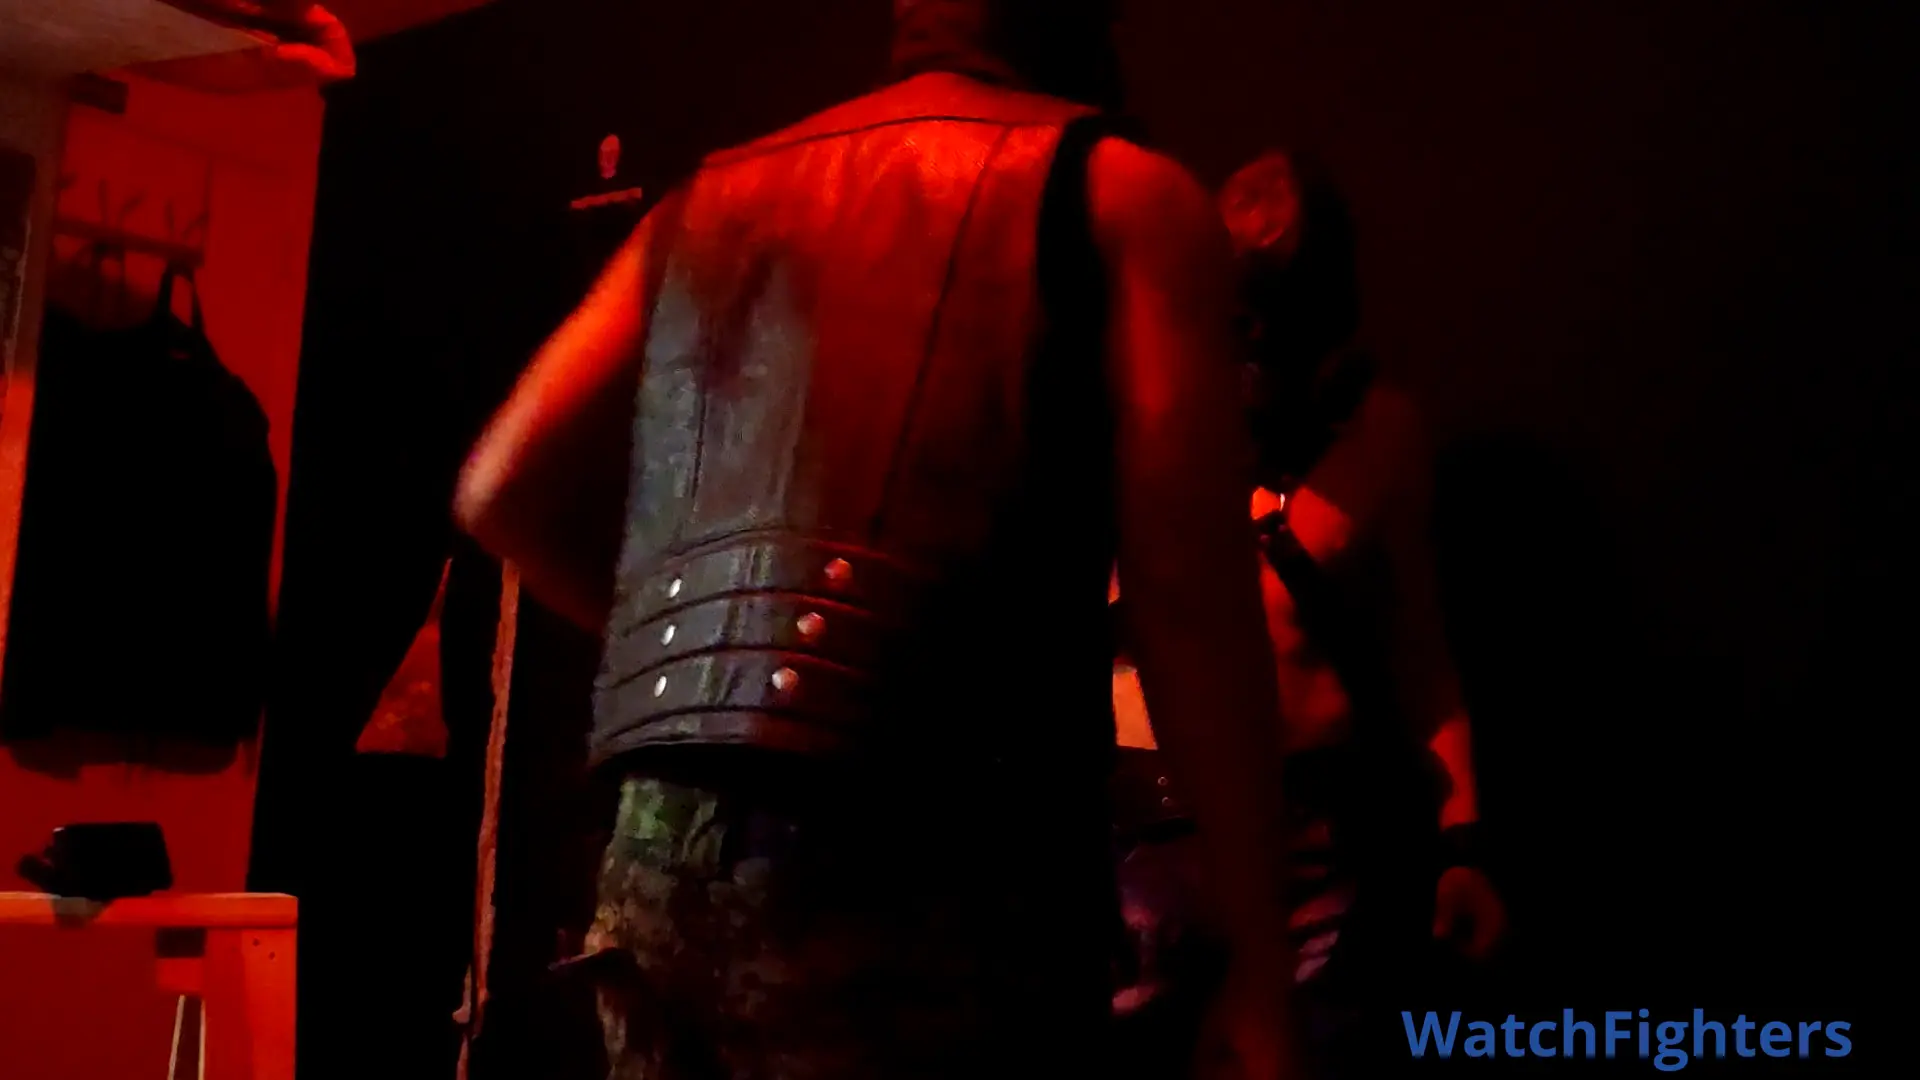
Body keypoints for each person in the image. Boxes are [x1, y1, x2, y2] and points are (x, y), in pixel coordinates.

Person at [454, 3, 1301, 1077]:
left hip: (661, 860)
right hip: (937, 864)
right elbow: (1190, 600)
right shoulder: (1122, 195)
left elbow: (500, 491)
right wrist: (1261, 967)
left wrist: (723, 662)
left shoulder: (707, 199)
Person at [1110, 150, 1507, 1077]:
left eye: (1277, 316)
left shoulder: (1377, 440)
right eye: (1237, 312)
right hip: (1134, 880)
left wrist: (1462, 847)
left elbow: (1423, 661)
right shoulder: (1144, 427)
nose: (1252, 343)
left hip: (1311, 884)